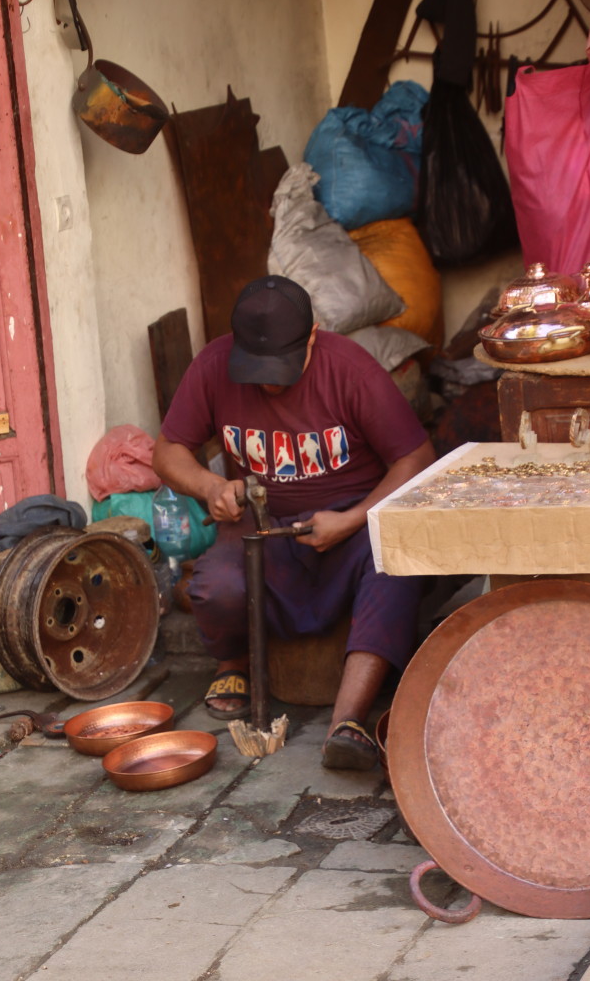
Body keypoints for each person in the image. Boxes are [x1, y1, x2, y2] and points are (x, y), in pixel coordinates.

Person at [151, 275, 435, 771]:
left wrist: (352, 520)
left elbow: (416, 456)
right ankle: (233, 662)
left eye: (281, 366)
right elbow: (168, 451)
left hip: (350, 522)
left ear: (312, 335)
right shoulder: (214, 366)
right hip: (264, 524)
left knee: (395, 564)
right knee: (216, 584)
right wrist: (211, 488)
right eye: (256, 368)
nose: (269, 383)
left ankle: (347, 721)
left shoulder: (350, 370)